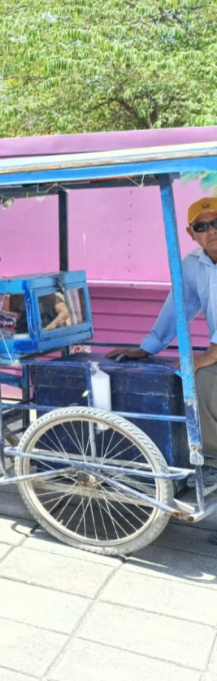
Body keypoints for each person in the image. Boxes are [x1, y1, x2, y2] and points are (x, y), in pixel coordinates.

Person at [109, 196, 217, 492]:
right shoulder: (194, 264)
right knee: (187, 376)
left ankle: (212, 463)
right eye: (203, 225)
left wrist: (208, 354)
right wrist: (148, 347)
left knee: (203, 379)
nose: (212, 230)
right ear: (190, 233)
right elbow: (177, 307)